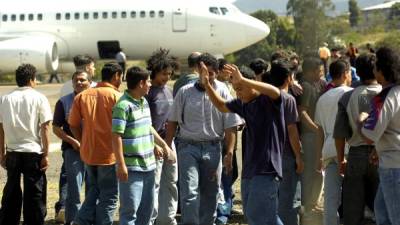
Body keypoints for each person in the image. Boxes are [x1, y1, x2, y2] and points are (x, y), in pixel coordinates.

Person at [200, 60, 285, 225]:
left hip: (267, 169)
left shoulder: (266, 100)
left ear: (253, 84)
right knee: (258, 216)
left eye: (240, 88)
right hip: (250, 170)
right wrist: (207, 85)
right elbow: (221, 105)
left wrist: (243, 80)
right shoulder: (242, 104)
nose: (237, 93)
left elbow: (275, 92)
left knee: (259, 216)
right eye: (235, 89)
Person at [166, 53, 242, 225]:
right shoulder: (185, 92)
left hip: (213, 149)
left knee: (211, 192)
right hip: (187, 148)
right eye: (204, 72)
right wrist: (168, 148)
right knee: (190, 192)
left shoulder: (223, 91)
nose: (207, 76)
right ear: (198, 71)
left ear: (216, 72)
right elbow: (172, 122)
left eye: (211, 72)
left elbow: (231, 126)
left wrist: (229, 152)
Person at [112, 66, 176, 225]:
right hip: (132, 168)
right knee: (130, 211)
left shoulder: (143, 102)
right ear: (141, 83)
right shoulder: (122, 106)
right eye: (147, 81)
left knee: (146, 211)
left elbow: (148, 127)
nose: (150, 84)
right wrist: (121, 165)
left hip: (149, 165)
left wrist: (164, 146)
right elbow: (116, 136)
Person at [68, 62, 123, 225]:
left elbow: (73, 124)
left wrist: (82, 140)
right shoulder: (117, 97)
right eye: (121, 77)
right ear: (116, 76)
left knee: (93, 191)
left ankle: (80, 221)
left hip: (89, 154)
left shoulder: (82, 96)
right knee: (110, 196)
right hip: (109, 155)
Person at [0, 64, 52, 225]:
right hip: (33, 151)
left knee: (11, 191)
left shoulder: (5, 99)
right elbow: (45, 128)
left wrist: (2, 154)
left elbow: (1, 128)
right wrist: (46, 154)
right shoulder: (39, 97)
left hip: (13, 151)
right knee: (35, 193)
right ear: (31, 80)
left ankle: (8, 221)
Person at [333, 53, 381, 225]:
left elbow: (339, 133)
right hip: (382, 155)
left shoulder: (347, 97)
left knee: (352, 210)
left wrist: (341, 160)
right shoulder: (388, 93)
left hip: (355, 156)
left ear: (357, 72)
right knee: (383, 208)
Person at [360, 47, 400, 225]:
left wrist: (362, 120)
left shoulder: (383, 98)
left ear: (381, 71)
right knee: (382, 213)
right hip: (391, 160)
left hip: (392, 167)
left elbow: (369, 135)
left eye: (376, 65)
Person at [315, 59, 353, 225]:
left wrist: (319, 156)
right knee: (354, 197)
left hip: (329, 151)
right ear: (345, 74)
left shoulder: (322, 99)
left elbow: (320, 131)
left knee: (330, 199)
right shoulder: (354, 93)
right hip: (351, 149)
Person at [145, 48, 179, 225]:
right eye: (164, 73)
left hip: (169, 143)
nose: (167, 77)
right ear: (155, 71)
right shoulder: (147, 92)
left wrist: (169, 143)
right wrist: (155, 145)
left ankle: (168, 220)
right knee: (154, 186)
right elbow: (144, 123)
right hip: (154, 146)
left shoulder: (170, 90)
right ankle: (150, 220)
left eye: (170, 74)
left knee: (171, 183)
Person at [53, 70, 91, 225]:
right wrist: (73, 142)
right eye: (76, 80)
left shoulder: (96, 99)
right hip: (72, 152)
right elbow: (56, 128)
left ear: (90, 82)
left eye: (83, 80)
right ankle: (73, 221)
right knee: (74, 189)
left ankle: (89, 219)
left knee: (93, 189)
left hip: (94, 151)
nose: (79, 82)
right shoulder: (63, 102)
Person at [268, 59, 304, 225]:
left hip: (268, 156)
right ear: (289, 77)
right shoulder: (288, 99)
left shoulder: (263, 97)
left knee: (272, 198)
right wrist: (299, 156)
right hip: (286, 155)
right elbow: (292, 131)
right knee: (289, 200)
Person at [298, 57, 325, 219]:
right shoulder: (306, 87)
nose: (321, 74)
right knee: (309, 171)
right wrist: (316, 130)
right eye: (319, 71)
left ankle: (312, 203)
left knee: (319, 170)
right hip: (310, 136)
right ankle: (306, 205)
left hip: (318, 135)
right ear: (310, 71)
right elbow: (302, 113)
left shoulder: (320, 84)